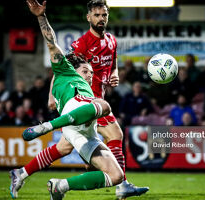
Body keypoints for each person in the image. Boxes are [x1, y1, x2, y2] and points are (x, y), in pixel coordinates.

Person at [10, 0, 124, 199]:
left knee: (116, 174)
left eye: (91, 72)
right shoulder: (66, 70)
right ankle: (45, 127)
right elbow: (51, 42)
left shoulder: (90, 79)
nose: (90, 75)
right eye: (86, 71)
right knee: (105, 109)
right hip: (77, 110)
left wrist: (112, 73)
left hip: (85, 131)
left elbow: (109, 65)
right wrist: (41, 16)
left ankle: (58, 185)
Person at [47, 0, 149, 198]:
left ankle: (26, 174)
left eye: (104, 15)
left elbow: (114, 62)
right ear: (89, 17)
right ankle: (122, 185)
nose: (101, 19)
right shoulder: (82, 44)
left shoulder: (111, 41)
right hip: (87, 101)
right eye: (97, 15)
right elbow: (63, 68)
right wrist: (51, 93)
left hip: (100, 100)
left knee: (65, 148)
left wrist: (115, 74)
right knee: (115, 134)